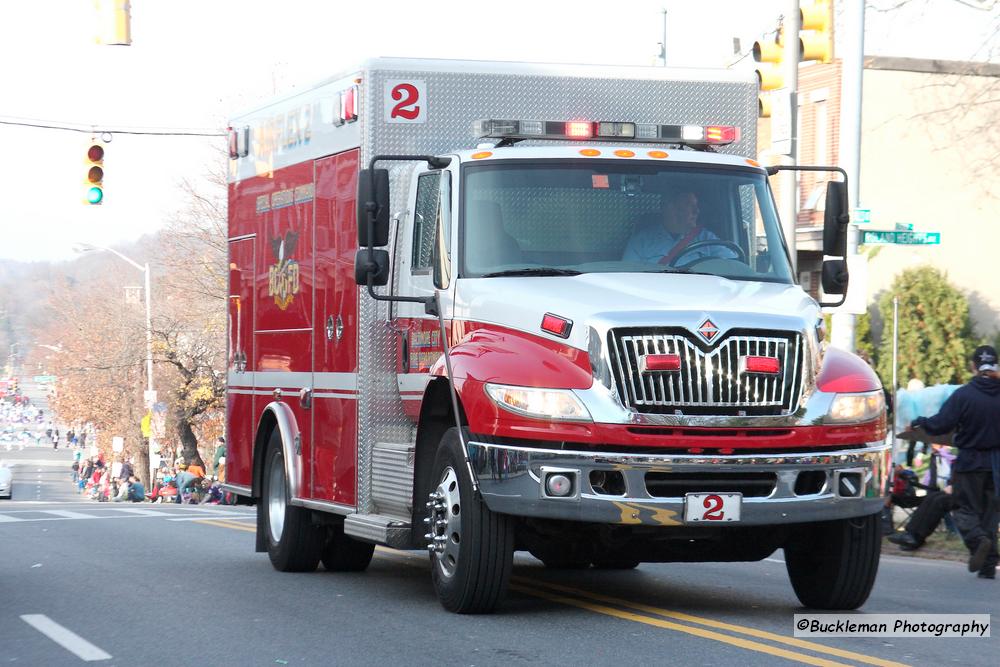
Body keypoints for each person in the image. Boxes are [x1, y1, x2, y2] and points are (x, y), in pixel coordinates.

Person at [910, 345, 1000, 579]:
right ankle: (988, 566)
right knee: (990, 513)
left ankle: (978, 541)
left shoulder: (964, 395)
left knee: (962, 507)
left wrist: (921, 422)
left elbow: (942, 423)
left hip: (971, 461)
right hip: (997, 465)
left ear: (973, 366)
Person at [622, 189, 737, 266]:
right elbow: (628, 277)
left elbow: (734, 265)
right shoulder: (642, 242)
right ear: (671, 208)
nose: (696, 211)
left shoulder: (707, 239)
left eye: (696, 206)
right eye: (689, 205)